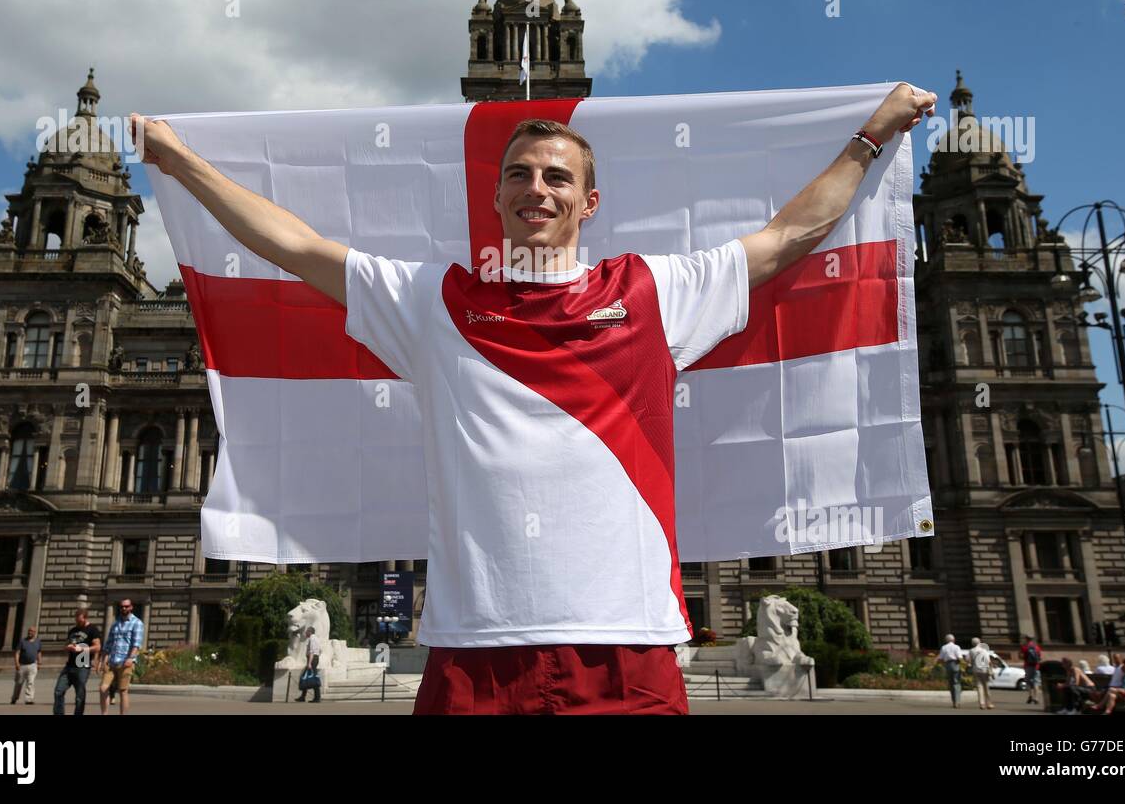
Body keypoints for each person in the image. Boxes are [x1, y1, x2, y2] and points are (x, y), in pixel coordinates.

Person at [131, 82, 938, 715]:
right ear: (496, 199)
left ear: (588, 203)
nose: (537, 187)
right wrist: (181, 161)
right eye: (519, 174)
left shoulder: (656, 292)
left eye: (558, 176)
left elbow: (789, 235)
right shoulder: (432, 302)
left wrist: (873, 135)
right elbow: (295, 243)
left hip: (628, 647)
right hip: (474, 653)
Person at [54, 608, 102, 716]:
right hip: (69, 666)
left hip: (82, 666)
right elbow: (65, 645)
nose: (78, 623)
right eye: (76, 621)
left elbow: (97, 647)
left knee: (79, 695)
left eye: (80, 621)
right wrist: (68, 647)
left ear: (85, 618)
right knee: (58, 691)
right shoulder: (73, 630)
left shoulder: (93, 630)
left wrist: (83, 649)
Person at [100, 599, 143, 716]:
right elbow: (108, 643)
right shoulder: (115, 623)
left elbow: (136, 644)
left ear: (131, 607)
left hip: (125, 662)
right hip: (112, 661)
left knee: (123, 691)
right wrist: (103, 659)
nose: (124, 608)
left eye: (126, 606)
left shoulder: (137, 623)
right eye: (122, 607)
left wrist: (131, 658)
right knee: (103, 688)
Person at [11, 625, 42, 704]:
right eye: (29, 631)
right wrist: (17, 663)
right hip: (22, 665)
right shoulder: (22, 641)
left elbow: (39, 652)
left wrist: (39, 662)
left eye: (31, 631)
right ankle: (14, 697)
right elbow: (17, 653)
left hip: (32, 665)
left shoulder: (38, 642)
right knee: (19, 683)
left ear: (35, 633)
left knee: (30, 682)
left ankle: (29, 699)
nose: (29, 632)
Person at [936, 633, 965, 709]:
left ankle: (953, 701)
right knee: (957, 683)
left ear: (946, 640)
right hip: (955, 664)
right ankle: (957, 702)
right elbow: (959, 657)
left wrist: (940, 665)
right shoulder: (956, 647)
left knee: (951, 683)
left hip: (947, 665)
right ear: (953, 640)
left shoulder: (944, 647)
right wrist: (963, 666)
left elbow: (940, 658)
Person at [966, 637, 995, 710]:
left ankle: (981, 704)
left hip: (976, 670)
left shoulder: (971, 651)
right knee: (986, 687)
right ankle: (989, 704)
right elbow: (988, 661)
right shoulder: (983, 650)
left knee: (979, 687)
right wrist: (991, 670)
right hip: (984, 670)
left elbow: (967, 660)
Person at [295, 625, 322, 703]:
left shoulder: (312, 639)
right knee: (307, 677)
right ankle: (304, 696)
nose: (305, 633)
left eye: (306, 631)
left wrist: (309, 663)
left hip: (312, 659)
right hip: (315, 658)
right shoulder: (316, 638)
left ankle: (316, 697)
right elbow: (320, 650)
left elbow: (312, 651)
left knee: (311, 678)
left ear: (310, 632)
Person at [1019, 635, 1043, 704]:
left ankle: (1030, 696)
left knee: (1028, 682)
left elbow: (1020, 656)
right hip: (1036, 666)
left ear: (1026, 639)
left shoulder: (1025, 647)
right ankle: (1036, 698)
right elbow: (1040, 657)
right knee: (1036, 682)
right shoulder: (1037, 647)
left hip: (1028, 666)